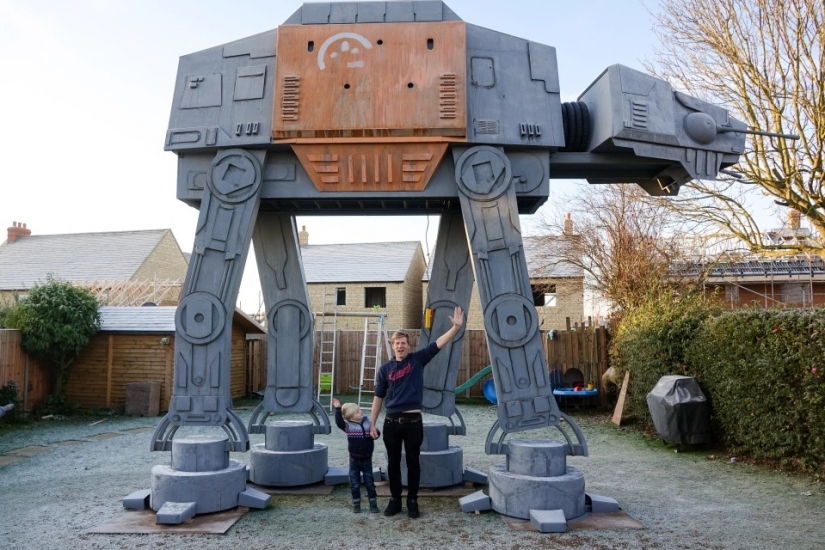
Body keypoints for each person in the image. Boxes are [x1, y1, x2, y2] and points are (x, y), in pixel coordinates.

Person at [369, 306, 464, 519]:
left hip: (413, 421)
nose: (400, 346)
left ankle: (412, 501)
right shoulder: (384, 370)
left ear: (409, 346)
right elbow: (378, 398)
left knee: (413, 462)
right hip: (391, 422)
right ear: (392, 346)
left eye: (404, 343)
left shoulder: (417, 360)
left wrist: (455, 327)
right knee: (392, 462)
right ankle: (395, 500)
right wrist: (372, 423)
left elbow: (437, 344)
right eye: (397, 343)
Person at [332, 397, 380, 513]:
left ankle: (373, 504)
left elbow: (376, 432)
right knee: (355, 483)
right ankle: (356, 504)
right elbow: (339, 423)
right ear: (351, 417)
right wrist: (338, 409)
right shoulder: (348, 427)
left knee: (369, 482)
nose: (361, 411)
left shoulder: (368, 423)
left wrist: (377, 433)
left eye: (359, 409)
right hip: (354, 460)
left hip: (367, 459)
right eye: (358, 411)